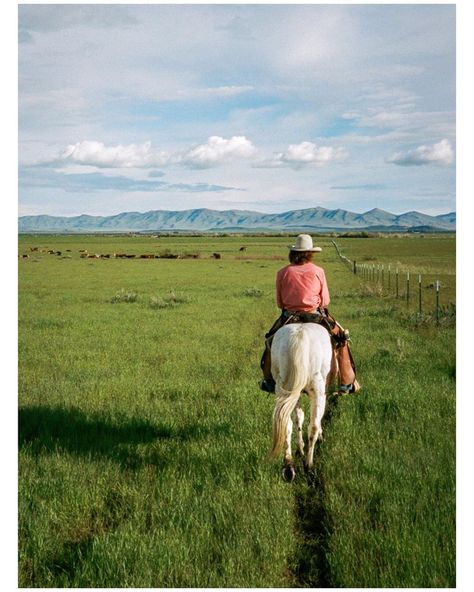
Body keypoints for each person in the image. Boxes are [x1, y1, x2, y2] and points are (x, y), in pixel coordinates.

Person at [259, 233, 360, 395]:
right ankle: (346, 383)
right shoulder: (318, 271)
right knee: (342, 338)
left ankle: (269, 381)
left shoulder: (282, 272)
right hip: (315, 315)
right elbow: (325, 301)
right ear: (311, 253)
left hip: (289, 315)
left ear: (293, 253)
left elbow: (280, 303)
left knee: (270, 340)